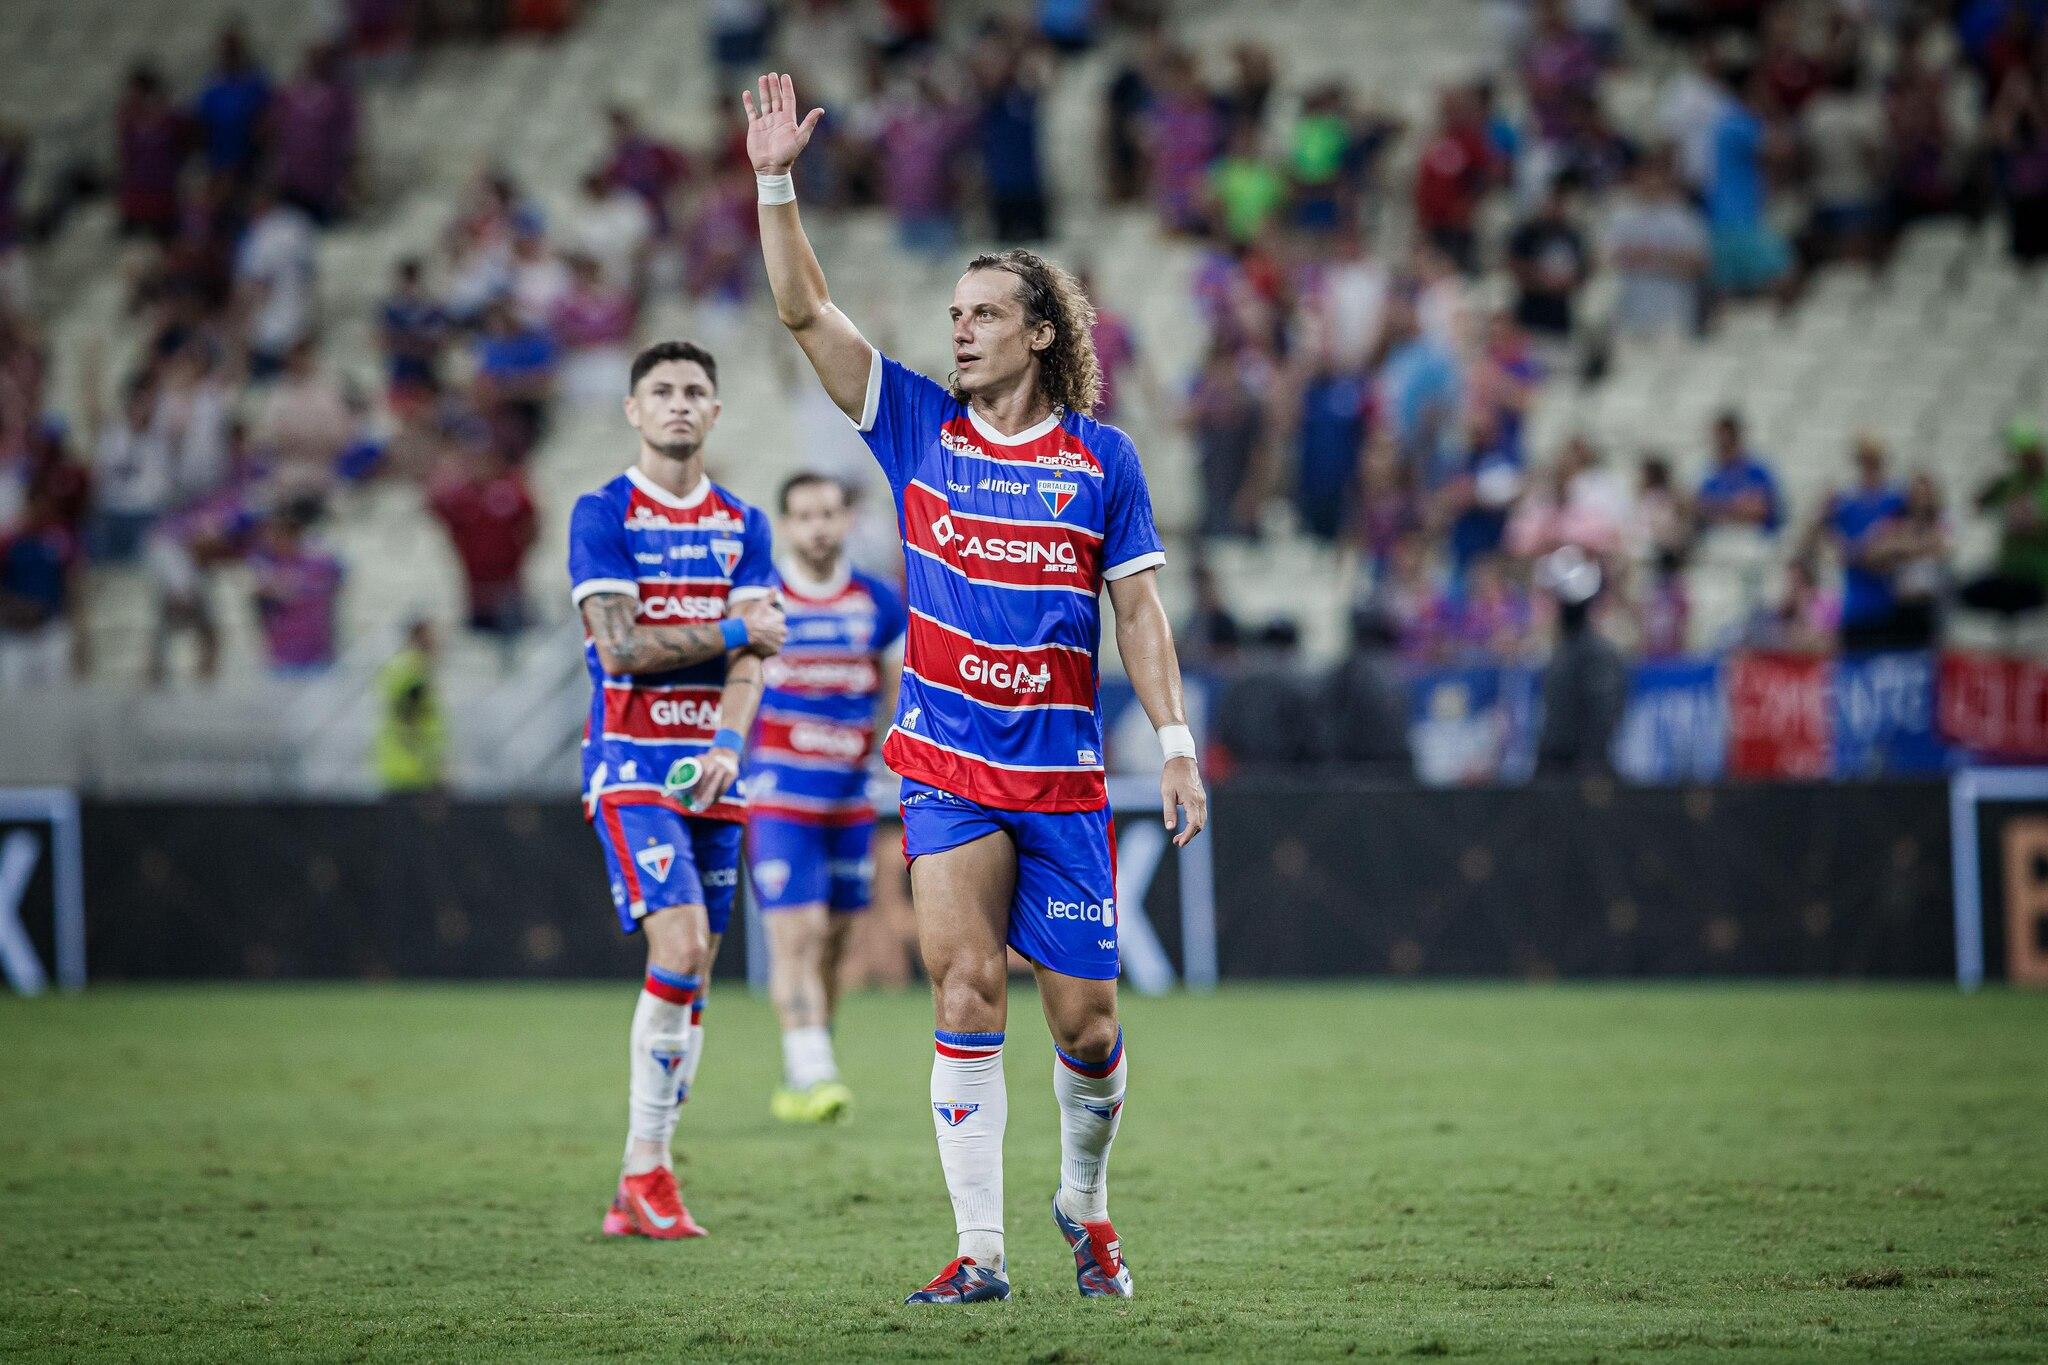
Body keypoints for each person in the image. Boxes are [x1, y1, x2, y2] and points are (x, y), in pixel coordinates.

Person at [748, 72, 1207, 1305]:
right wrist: (776, 182)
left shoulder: (1101, 460)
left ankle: (1084, 1205)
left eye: (984, 314)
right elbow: (802, 309)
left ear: (1041, 332)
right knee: (962, 986)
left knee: (1088, 1029)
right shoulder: (913, 424)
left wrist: (1172, 742)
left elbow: (1137, 611)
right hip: (946, 765)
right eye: (952, 314)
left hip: (1060, 775)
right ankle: (980, 1251)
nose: (959, 330)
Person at [568, 340, 788, 1242]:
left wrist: (730, 743)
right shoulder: (603, 512)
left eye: (695, 390)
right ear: (633, 409)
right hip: (631, 763)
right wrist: (735, 628)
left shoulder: (745, 522)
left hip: (714, 773)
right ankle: (646, 1168)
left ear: (716, 411)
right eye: (660, 391)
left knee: (695, 976)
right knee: (684, 942)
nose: (679, 403)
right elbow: (620, 648)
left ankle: (638, 1180)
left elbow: (755, 662)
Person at [743, 472, 906, 1125]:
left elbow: (894, 684)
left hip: (848, 796)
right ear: (786, 525)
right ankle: (815, 1070)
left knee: (837, 939)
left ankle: (806, 1060)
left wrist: (890, 749)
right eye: (805, 515)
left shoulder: (877, 600)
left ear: (846, 520)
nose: (818, 527)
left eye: (828, 514)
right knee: (799, 933)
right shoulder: (761, 598)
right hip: (779, 792)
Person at [374, 619, 446, 794]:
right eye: (430, 638)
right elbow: (409, 720)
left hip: (400, 770)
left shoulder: (403, 670)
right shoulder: (414, 675)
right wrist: (432, 762)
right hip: (413, 773)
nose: (435, 643)